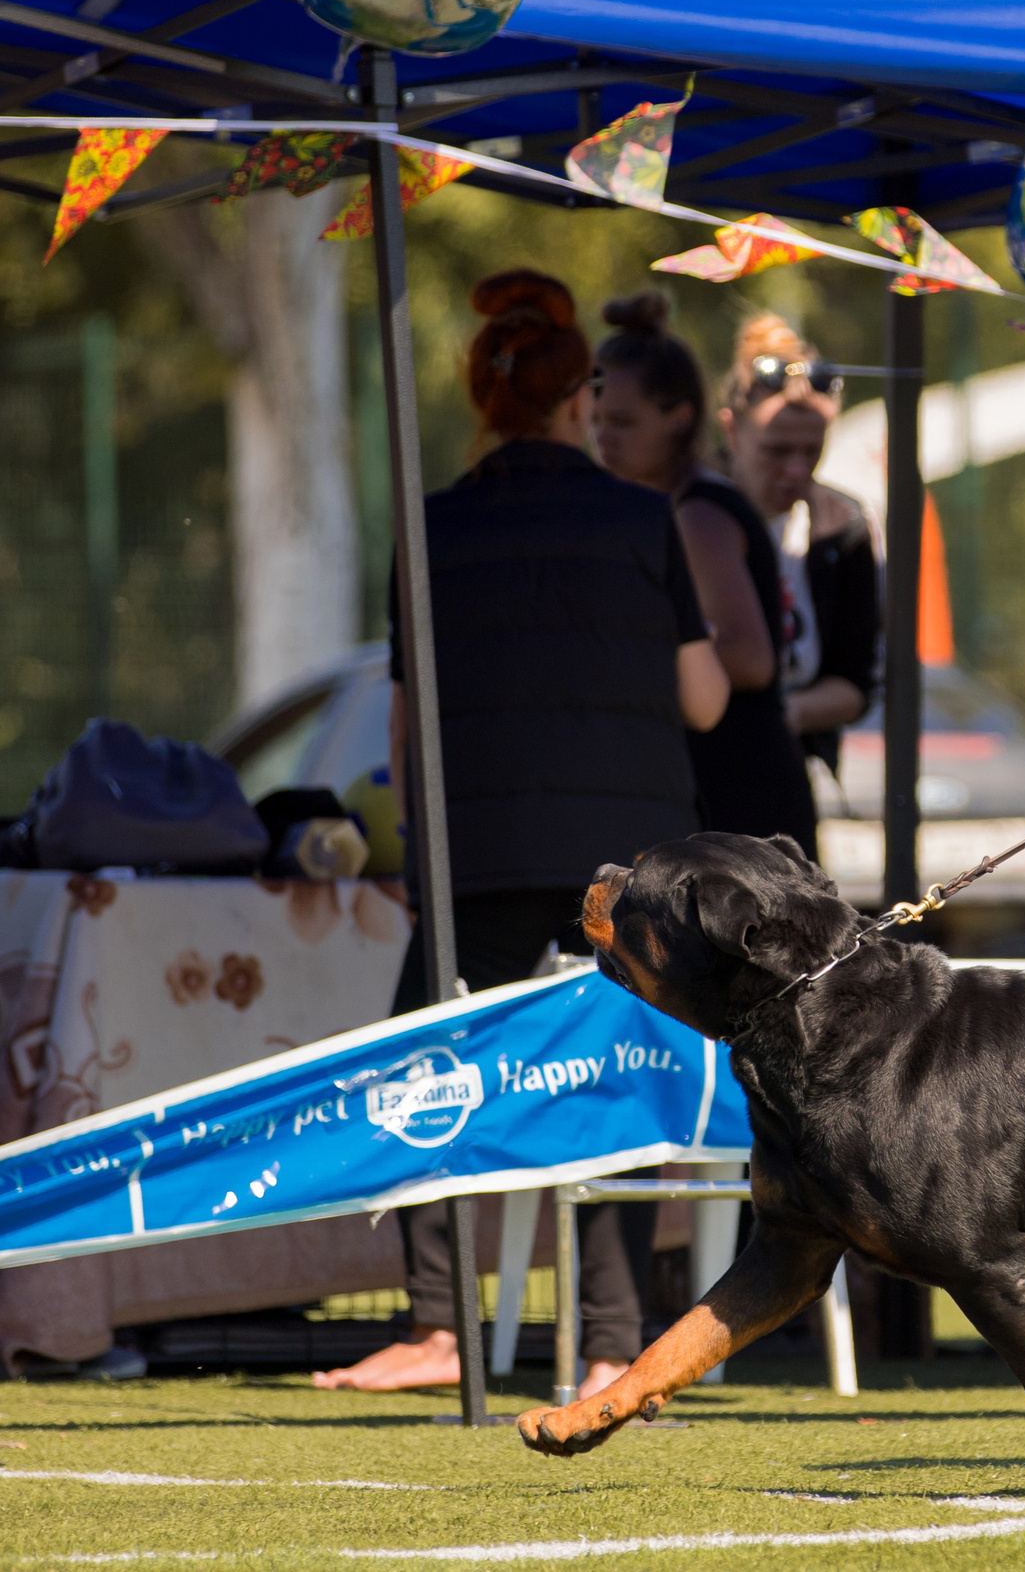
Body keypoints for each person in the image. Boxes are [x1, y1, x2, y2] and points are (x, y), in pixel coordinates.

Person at [314, 271, 729, 1394]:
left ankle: (436, 1328)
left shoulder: (430, 526)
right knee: (614, 1077)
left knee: (422, 1066)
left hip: (478, 853)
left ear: (485, 397)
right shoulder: (644, 518)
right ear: (577, 399)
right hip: (629, 862)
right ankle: (607, 1345)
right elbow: (706, 702)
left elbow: (406, 723)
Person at [593, 301, 819, 854]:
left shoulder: (698, 515)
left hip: (739, 793)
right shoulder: (676, 508)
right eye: (595, 419)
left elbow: (748, 658)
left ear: (681, 417)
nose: (604, 438)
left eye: (623, 422)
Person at [721, 318, 879, 772]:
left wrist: (788, 715)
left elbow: (855, 681)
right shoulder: (698, 518)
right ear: (732, 432)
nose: (795, 470)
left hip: (792, 760)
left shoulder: (842, 525)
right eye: (776, 451)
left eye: (812, 450)